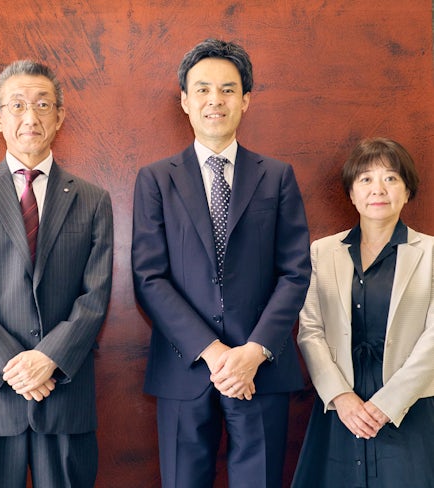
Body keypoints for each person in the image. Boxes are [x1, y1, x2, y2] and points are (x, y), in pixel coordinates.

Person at [131, 38, 311, 488]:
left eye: (228, 90)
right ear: (185, 101)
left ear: (245, 100)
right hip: (184, 367)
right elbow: (149, 277)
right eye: (203, 89)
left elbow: (295, 273)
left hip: (261, 368)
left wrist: (253, 351)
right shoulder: (155, 180)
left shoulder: (277, 176)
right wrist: (213, 352)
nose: (216, 100)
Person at [0, 60, 113, 488]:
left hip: (64, 392)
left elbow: (95, 296)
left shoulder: (93, 199)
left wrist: (49, 358)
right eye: (17, 105)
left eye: (42, 104)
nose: (30, 116)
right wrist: (13, 367)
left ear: (60, 116)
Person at [292, 137, 434, 487]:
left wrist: (389, 402)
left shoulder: (430, 253)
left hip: (411, 407)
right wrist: (340, 397)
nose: (378, 189)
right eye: (366, 179)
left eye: (391, 178)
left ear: (407, 191)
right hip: (340, 409)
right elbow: (310, 331)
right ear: (352, 193)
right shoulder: (322, 252)